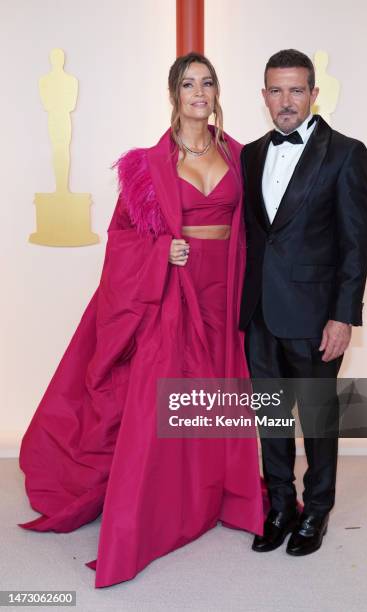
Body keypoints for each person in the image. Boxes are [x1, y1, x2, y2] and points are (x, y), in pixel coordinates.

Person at [18, 52, 264, 588]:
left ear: (217, 91)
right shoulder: (145, 166)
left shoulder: (243, 156)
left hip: (225, 288)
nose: (199, 92)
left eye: (208, 82)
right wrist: (160, 254)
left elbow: (260, 228)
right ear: (173, 94)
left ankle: (215, 494)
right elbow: (122, 238)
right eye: (188, 84)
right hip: (172, 290)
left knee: (220, 392)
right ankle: (150, 513)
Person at [240, 49, 367, 556]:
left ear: (314, 94)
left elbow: (355, 242)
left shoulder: (345, 153)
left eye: (297, 90)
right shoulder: (252, 153)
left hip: (317, 316)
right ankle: (280, 505)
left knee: (317, 421)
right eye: (277, 90)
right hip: (260, 315)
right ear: (264, 96)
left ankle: (317, 510)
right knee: (270, 418)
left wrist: (344, 315)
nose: (286, 101)